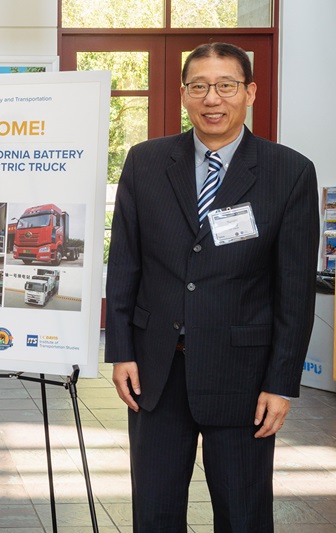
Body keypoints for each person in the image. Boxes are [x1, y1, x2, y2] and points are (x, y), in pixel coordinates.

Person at [105, 42, 319, 532]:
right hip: (156, 373)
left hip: (244, 378)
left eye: (226, 85)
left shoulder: (289, 173)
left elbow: (294, 292)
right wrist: (121, 351)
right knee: (154, 514)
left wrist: (281, 383)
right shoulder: (146, 163)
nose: (212, 98)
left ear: (250, 92)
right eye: (199, 86)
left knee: (243, 516)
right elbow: (125, 267)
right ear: (184, 95)